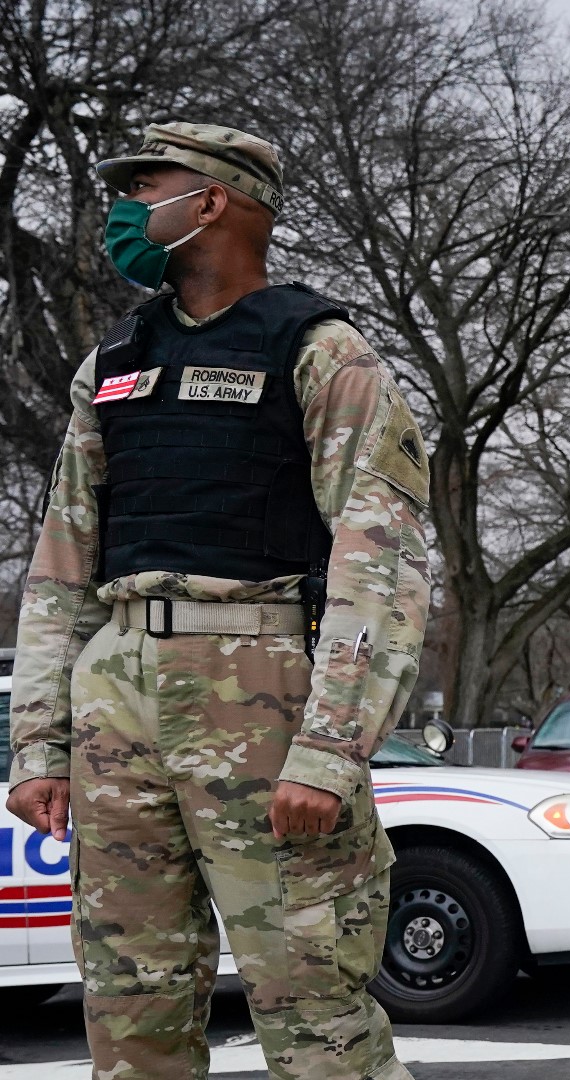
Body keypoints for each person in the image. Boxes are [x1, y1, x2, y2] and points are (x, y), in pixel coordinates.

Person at [4, 122, 430, 1080]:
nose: (122, 206)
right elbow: (61, 562)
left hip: (262, 686)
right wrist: (42, 740)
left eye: (143, 183)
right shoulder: (111, 363)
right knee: (130, 1007)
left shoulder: (323, 353)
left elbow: (384, 560)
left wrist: (328, 749)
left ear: (212, 202)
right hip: (116, 689)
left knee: (315, 1010)